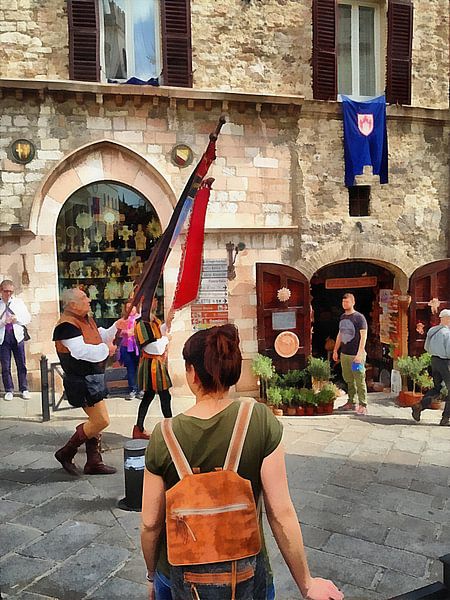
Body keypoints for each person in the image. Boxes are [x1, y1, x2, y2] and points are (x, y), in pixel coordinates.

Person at [141, 324, 343, 600]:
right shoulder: (258, 420)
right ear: (232, 369)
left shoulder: (163, 436)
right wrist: (306, 583)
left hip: (177, 576)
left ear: (192, 374)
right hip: (246, 576)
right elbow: (280, 512)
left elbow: (151, 523)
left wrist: (152, 576)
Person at [52, 288, 127, 476]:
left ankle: (94, 462)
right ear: (72, 304)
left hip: (92, 379)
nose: (89, 300)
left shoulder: (85, 319)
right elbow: (80, 351)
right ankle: (66, 452)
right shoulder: (66, 326)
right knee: (101, 420)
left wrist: (116, 326)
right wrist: (105, 350)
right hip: (81, 380)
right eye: (84, 298)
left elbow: (98, 336)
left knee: (97, 420)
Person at [132, 297, 172, 439]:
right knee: (163, 396)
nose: (155, 302)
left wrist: (168, 322)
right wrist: (167, 338)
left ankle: (139, 427)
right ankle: (169, 428)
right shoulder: (141, 323)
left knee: (153, 396)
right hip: (151, 365)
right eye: (153, 300)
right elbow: (153, 347)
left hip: (157, 364)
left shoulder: (152, 320)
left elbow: (158, 333)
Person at [412, 308, 450, 426]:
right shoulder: (447, 333)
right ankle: (445, 418)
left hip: (434, 361)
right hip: (446, 362)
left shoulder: (432, 331)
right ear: (447, 319)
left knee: (437, 388)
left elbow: (426, 347)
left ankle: (421, 405)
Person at [332, 293, 368, 415]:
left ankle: (363, 404)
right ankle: (352, 402)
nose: (345, 304)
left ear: (353, 302)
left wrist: (359, 354)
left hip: (356, 356)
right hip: (345, 355)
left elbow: (364, 336)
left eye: (347, 302)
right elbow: (340, 334)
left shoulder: (359, 318)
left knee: (359, 378)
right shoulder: (343, 317)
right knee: (348, 379)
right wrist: (336, 349)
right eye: (343, 302)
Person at [0, 279, 31, 401]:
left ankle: (24, 388)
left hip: (17, 336)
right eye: (6, 291)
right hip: (3, 338)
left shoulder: (18, 303)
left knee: (21, 364)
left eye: (11, 291)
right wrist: (3, 322)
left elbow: (27, 318)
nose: (8, 294)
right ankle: (9, 389)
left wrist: (16, 319)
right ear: (1, 291)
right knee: (5, 366)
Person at [119, 301, 141, 400]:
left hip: (138, 347)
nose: (130, 309)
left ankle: (141, 390)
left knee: (140, 368)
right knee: (130, 369)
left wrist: (134, 332)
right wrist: (125, 332)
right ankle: (133, 389)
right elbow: (119, 332)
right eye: (128, 307)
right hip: (126, 347)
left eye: (132, 307)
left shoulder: (140, 319)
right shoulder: (123, 320)